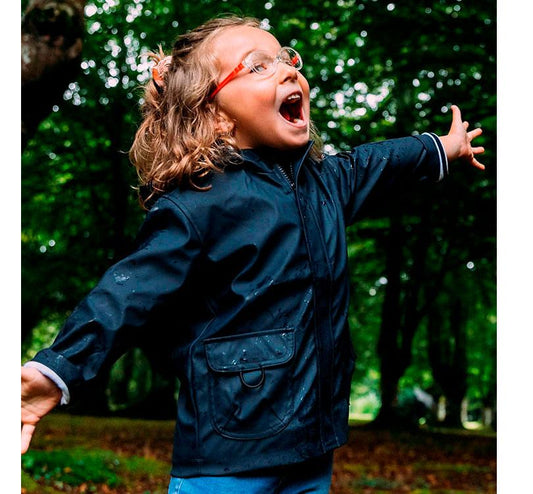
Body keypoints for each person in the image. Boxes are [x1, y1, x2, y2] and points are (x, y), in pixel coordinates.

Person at [21, 15, 485, 494]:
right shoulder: (198, 201)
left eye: (287, 59)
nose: (287, 70)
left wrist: (439, 148)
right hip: (227, 458)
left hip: (312, 445)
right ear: (217, 114)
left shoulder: (325, 182)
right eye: (258, 67)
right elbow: (126, 295)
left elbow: (376, 163)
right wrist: (57, 371)